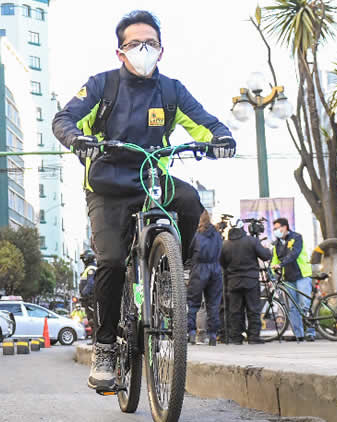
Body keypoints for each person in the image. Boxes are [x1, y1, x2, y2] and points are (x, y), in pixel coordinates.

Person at [52, 10, 235, 391]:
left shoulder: (171, 91)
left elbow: (204, 122)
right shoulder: (101, 86)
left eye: (150, 43)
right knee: (112, 262)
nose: (143, 49)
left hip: (152, 177)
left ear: (161, 50)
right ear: (120, 52)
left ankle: (171, 273)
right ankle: (105, 348)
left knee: (189, 200)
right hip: (106, 183)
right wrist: (77, 139)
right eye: (135, 44)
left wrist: (221, 138)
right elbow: (65, 118)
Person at [220, 222, 273, 345]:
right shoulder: (251, 241)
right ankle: (253, 337)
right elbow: (265, 256)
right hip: (251, 281)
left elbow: (221, 263)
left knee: (235, 311)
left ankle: (236, 337)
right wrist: (268, 250)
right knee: (253, 309)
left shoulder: (225, 245)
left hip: (233, 282)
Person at [271, 218, 315, 342]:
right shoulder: (277, 244)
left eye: (277, 228)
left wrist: (281, 264)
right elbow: (275, 260)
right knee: (292, 307)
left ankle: (311, 333)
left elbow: (294, 254)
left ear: (285, 227)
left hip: (302, 275)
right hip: (288, 278)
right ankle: (298, 334)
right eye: (274, 229)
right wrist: (273, 271)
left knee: (304, 305)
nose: (275, 231)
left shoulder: (296, 237)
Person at [187, 210, 223, 346]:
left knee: (193, 303)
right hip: (215, 269)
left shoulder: (196, 234)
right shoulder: (217, 235)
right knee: (213, 304)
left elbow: (190, 252)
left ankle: (191, 332)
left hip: (199, 269)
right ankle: (213, 334)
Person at [78, 249, 98, 340]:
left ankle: (95, 340)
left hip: (90, 299)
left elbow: (91, 284)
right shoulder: (89, 268)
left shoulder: (91, 269)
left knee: (93, 320)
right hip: (89, 299)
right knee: (92, 320)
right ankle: (94, 340)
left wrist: (84, 294)